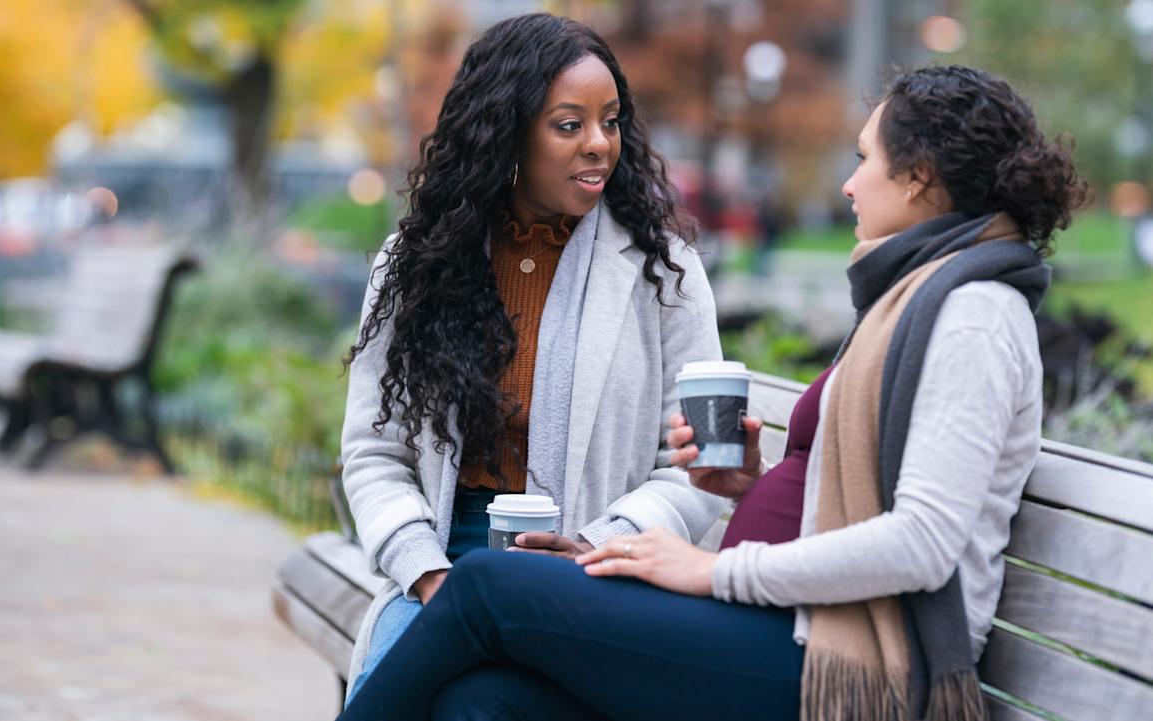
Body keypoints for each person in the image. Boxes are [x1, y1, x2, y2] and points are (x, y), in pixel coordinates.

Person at [339, 65, 1089, 721]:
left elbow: (923, 543)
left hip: (849, 667)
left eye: (865, 159)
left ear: (920, 174)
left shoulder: (975, 317)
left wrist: (709, 569)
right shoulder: (926, 298)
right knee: (482, 702)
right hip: (794, 631)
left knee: (489, 588)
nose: (849, 182)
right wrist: (749, 486)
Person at [337, 12, 727, 706]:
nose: (599, 144)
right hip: (445, 559)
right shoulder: (418, 265)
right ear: (508, 133)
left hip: (588, 576)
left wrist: (601, 546)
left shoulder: (662, 272)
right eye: (569, 124)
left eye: (611, 121)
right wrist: (425, 572)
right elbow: (374, 454)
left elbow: (694, 471)